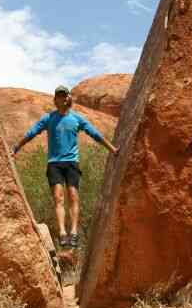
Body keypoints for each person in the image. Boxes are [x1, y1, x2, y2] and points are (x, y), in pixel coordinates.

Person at [11, 85, 119, 249]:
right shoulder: (48, 118)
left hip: (71, 163)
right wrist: (15, 149)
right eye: (59, 96)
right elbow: (32, 132)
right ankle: (62, 232)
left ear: (69, 98)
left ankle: (74, 232)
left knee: (73, 196)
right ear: (55, 100)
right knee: (58, 198)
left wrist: (112, 149)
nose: (62, 98)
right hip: (54, 163)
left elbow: (95, 133)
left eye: (65, 95)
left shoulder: (77, 118)